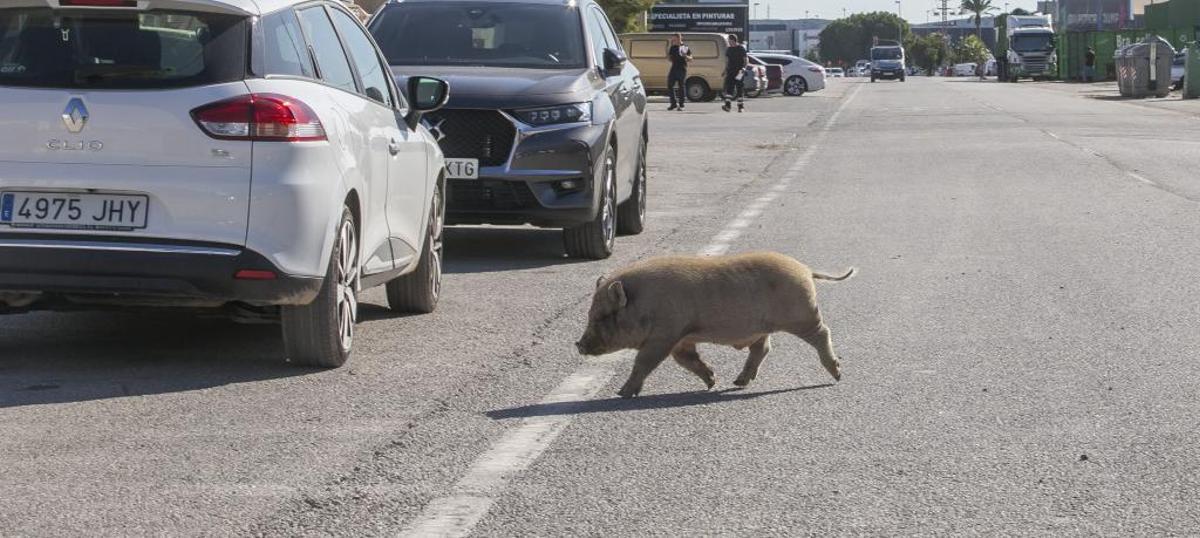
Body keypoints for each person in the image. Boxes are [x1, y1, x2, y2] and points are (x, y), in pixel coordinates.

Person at [722, 34, 748, 113]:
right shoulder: (729, 49)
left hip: (739, 71)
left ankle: (740, 107)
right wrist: (725, 70)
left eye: (729, 41)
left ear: (733, 40)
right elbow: (727, 61)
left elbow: (746, 59)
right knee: (729, 88)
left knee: (739, 89)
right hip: (730, 71)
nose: (728, 42)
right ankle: (727, 106)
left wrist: (744, 68)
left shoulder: (741, 48)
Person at [666, 33, 691, 111]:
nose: (675, 41)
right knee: (670, 85)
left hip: (681, 68)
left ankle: (681, 104)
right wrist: (668, 53)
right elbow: (669, 59)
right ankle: (673, 104)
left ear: (680, 38)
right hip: (674, 68)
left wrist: (685, 56)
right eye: (674, 39)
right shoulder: (673, 47)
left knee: (681, 86)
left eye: (677, 39)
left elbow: (691, 58)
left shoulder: (685, 47)